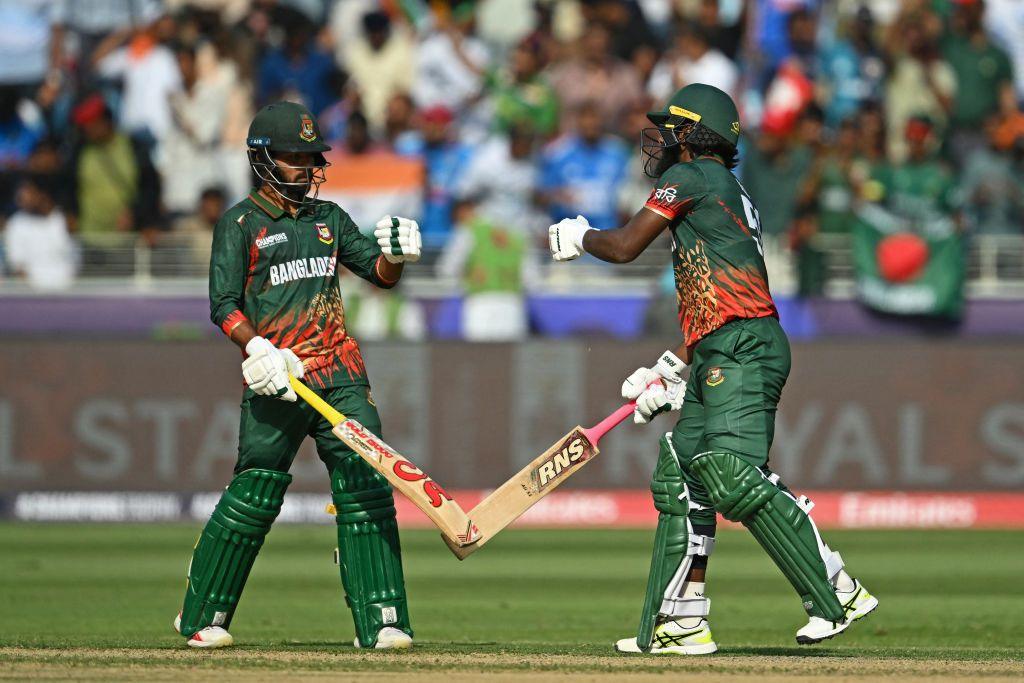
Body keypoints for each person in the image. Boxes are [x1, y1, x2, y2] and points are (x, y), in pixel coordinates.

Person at [547, 84, 878, 654]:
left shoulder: (696, 176)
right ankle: (680, 621)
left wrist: (582, 235)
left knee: (727, 469)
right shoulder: (716, 186)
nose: (664, 138)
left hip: (743, 345)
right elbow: (713, 290)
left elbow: (626, 246)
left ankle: (836, 588)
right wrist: (675, 366)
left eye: (674, 127)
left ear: (700, 133)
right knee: (683, 472)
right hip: (720, 343)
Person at [173, 101, 422, 650]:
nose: (308, 168)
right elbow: (223, 304)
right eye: (295, 157)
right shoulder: (240, 223)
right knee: (257, 490)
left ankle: (382, 620)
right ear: (262, 160)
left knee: (365, 484)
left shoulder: (329, 219)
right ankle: (202, 617)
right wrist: (255, 346)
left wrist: (396, 255)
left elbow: (379, 276)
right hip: (278, 377)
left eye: (313, 158)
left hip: (340, 371)